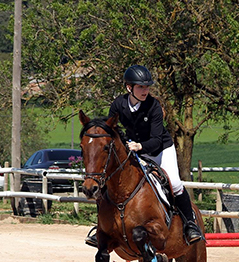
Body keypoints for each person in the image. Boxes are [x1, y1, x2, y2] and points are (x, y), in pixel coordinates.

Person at [85, 65, 203, 246]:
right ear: (129, 88)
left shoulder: (153, 106)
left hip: (160, 150)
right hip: (134, 150)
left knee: (176, 183)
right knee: (107, 183)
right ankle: (101, 227)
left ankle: (190, 225)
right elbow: (112, 132)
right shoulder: (118, 105)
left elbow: (156, 139)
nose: (145, 90)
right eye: (141, 87)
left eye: (147, 87)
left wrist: (140, 146)